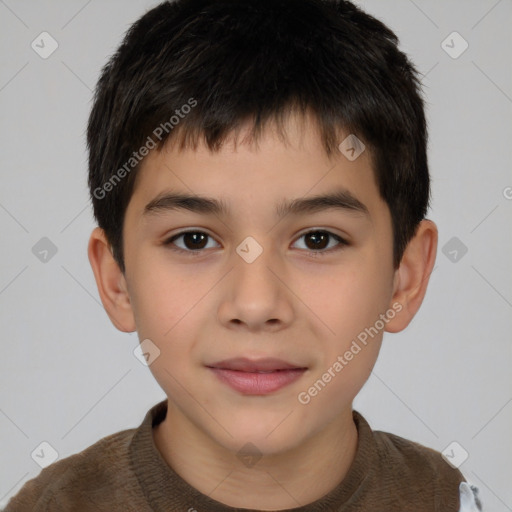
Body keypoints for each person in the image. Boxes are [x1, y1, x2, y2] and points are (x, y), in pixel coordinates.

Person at [4, 0, 483, 510]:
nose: (255, 305)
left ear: (404, 277)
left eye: (317, 239)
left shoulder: (448, 499)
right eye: (194, 240)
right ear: (117, 278)